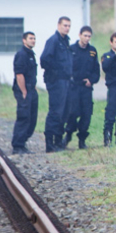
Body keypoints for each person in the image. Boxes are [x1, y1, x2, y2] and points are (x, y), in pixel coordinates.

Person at [63, 26, 100, 149]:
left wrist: (92, 80)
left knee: (86, 114)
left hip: (86, 88)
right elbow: (66, 67)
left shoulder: (92, 51)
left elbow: (96, 71)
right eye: (85, 35)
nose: (87, 38)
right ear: (79, 35)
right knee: (73, 112)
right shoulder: (71, 49)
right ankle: (68, 134)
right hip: (74, 87)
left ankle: (82, 140)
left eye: (89, 36)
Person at [39, 16, 72, 152]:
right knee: (55, 112)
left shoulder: (66, 41)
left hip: (65, 81)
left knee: (64, 112)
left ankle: (58, 142)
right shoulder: (53, 41)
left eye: (69, 26)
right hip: (56, 81)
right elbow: (44, 60)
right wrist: (58, 70)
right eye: (65, 25)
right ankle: (50, 144)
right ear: (59, 25)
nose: (67, 28)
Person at [11, 31, 39, 154]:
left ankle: (23, 143)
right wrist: (23, 91)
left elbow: (32, 74)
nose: (33, 40)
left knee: (32, 118)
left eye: (34, 38)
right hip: (24, 90)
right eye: (30, 38)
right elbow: (19, 74)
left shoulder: (31, 54)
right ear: (24, 40)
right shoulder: (21, 54)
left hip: (31, 89)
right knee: (24, 117)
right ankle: (17, 145)